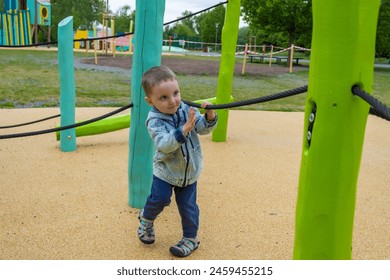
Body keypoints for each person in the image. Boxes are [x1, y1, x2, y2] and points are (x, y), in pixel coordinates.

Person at [137, 66, 218, 257]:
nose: (172, 101)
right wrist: (184, 129)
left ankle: (190, 238)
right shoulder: (154, 120)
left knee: (188, 207)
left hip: (189, 172)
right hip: (166, 171)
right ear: (150, 101)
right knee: (160, 199)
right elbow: (164, 144)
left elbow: (201, 128)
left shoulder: (185, 109)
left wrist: (209, 116)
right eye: (163, 98)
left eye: (175, 93)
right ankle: (146, 218)